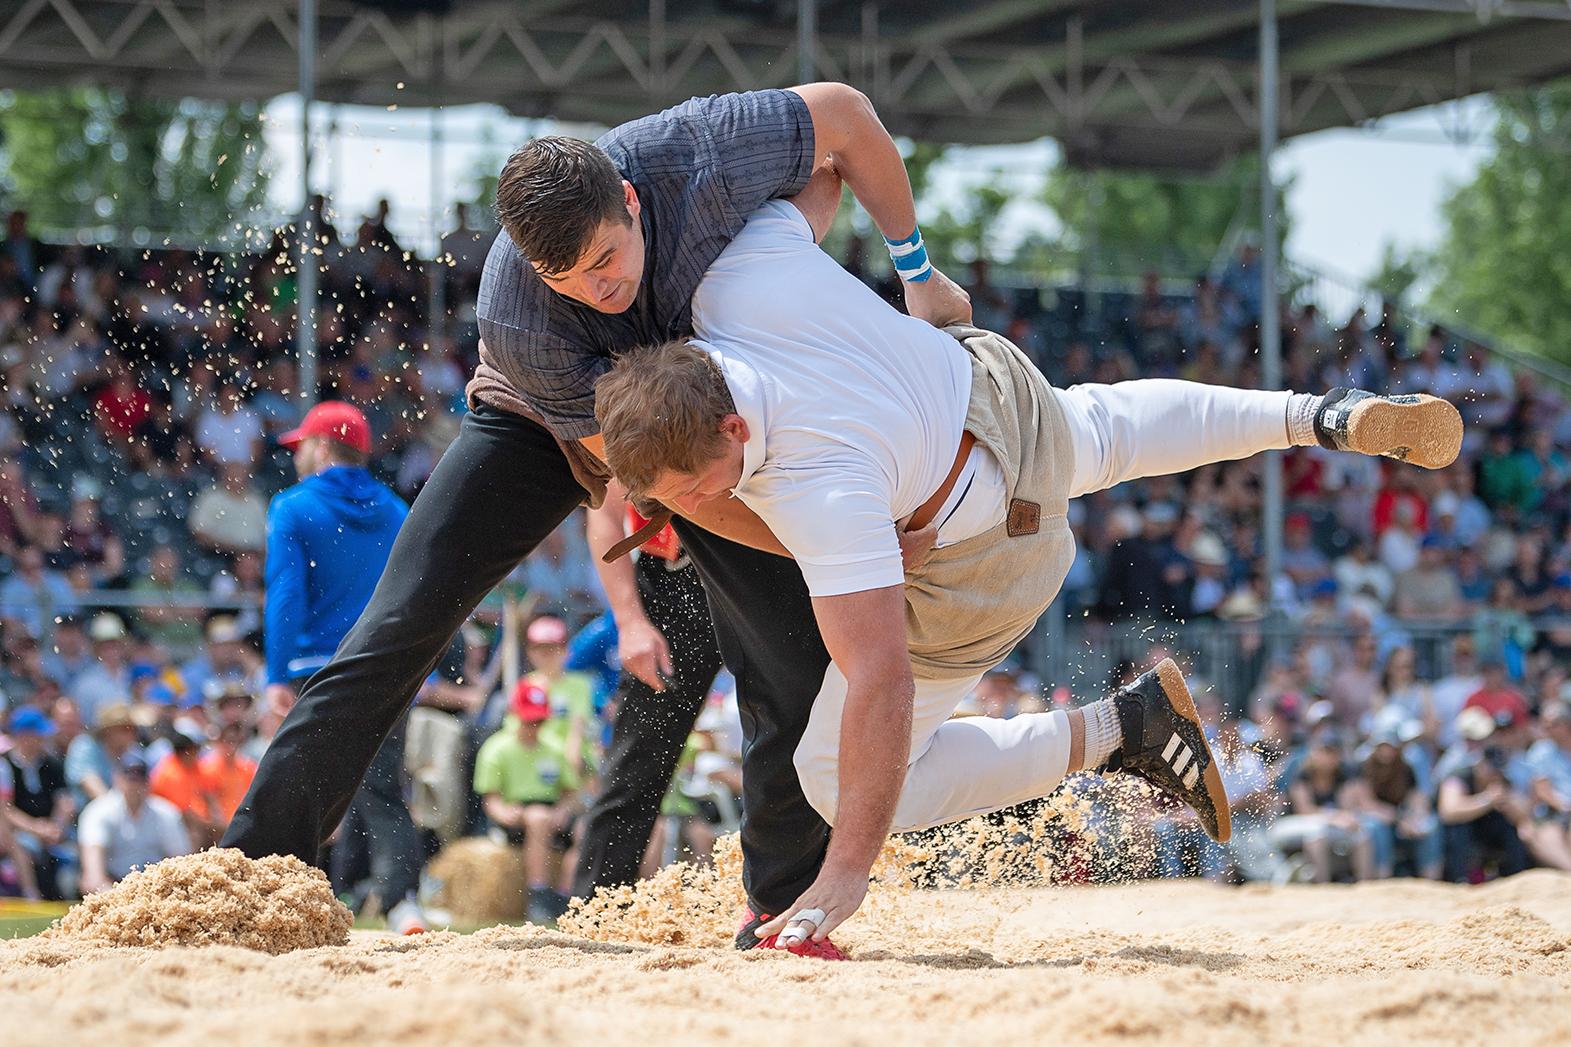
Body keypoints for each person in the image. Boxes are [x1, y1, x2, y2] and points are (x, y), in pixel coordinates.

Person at [593, 191, 1464, 945]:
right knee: (1110, 427)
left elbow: (879, 681)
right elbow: (833, 136)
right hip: (987, 387)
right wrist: (914, 262)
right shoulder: (739, 276)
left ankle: (1119, 728)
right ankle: (1317, 411)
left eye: (694, 490)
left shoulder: (817, 488)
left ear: (733, 432)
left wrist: (846, 873)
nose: (695, 507)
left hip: (986, 555)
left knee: (832, 775)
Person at [222, 82, 972, 958]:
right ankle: (251, 872)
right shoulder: (517, 304)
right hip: (547, 428)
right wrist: (843, 548)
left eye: (609, 260)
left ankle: (782, 912)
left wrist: (914, 268)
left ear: (628, 196)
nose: (601, 288)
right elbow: (656, 480)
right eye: (572, 278)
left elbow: (844, 119)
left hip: (707, 408)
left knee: (797, 659)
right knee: (399, 623)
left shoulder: (697, 152)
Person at [262, 399, 420, 921]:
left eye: (301, 445)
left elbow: (286, 594)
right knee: (378, 785)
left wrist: (276, 675)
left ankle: (292, 897)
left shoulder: (292, 506)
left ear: (322, 447)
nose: (295, 456)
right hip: (384, 661)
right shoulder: (398, 510)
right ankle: (397, 898)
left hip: (315, 667)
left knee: (307, 781)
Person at [573, 486, 724, 899]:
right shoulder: (631, 422)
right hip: (673, 576)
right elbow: (604, 513)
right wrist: (630, 621)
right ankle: (595, 910)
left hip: (766, 566)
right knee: (636, 760)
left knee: (788, 740)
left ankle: (776, 905)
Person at [474, 680, 581, 923]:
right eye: (529, 720)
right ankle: (539, 892)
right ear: (515, 715)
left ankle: (568, 894)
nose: (534, 727)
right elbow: (491, 801)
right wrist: (506, 813)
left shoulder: (554, 747)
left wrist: (563, 811)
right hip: (515, 814)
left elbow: (569, 792)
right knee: (538, 818)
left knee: (586, 828)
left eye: (539, 721)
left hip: (550, 808)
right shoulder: (497, 749)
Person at [78, 751, 190, 894]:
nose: (134, 785)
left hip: (157, 888)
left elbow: (181, 864)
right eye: (130, 778)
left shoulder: (166, 813)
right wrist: (118, 898)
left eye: (139, 779)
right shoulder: (98, 812)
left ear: (147, 781)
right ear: (117, 778)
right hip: (112, 886)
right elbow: (93, 875)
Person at [2, 707, 74, 899]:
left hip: (51, 831)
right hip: (17, 832)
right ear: (23, 735)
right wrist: (35, 828)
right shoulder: (5, 765)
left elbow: (65, 801)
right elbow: (5, 810)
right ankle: (31, 896)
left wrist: (56, 827)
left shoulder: (52, 763)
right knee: (26, 852)